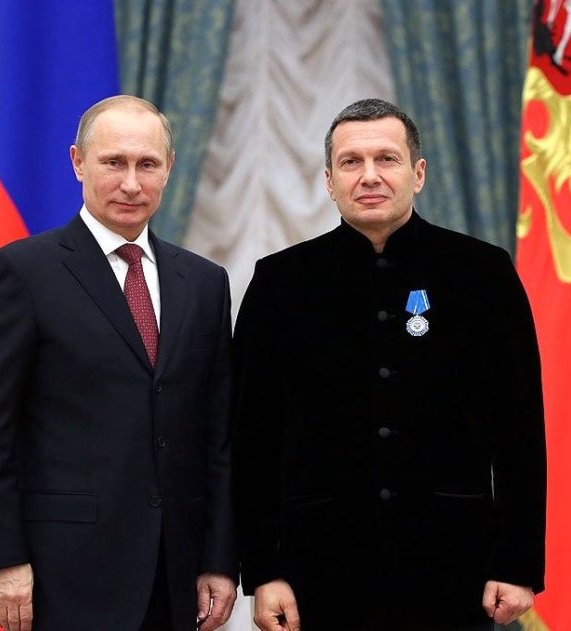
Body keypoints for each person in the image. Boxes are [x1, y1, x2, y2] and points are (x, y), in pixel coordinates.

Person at [233, 98, 546, 631]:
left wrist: (517, 563)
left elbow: (520, 432)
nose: (369, 176)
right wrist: (264, 571)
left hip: (454, 569)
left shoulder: (484, 274)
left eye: (387, 159)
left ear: (418, 173)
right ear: (329, 180)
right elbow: (251, 440)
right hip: (319, 574)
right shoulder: (280, 282)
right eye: (351, 162)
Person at [0, 95, 236, 631]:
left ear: (169, 169)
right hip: (62, 575)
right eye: (114, 163)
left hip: (176, 576)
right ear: (78, 163)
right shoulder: (22, 273)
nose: (131, 182)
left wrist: (219, 558)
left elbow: (215, 432)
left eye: (147, 164)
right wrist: (3, 558)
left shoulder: (203, 282)